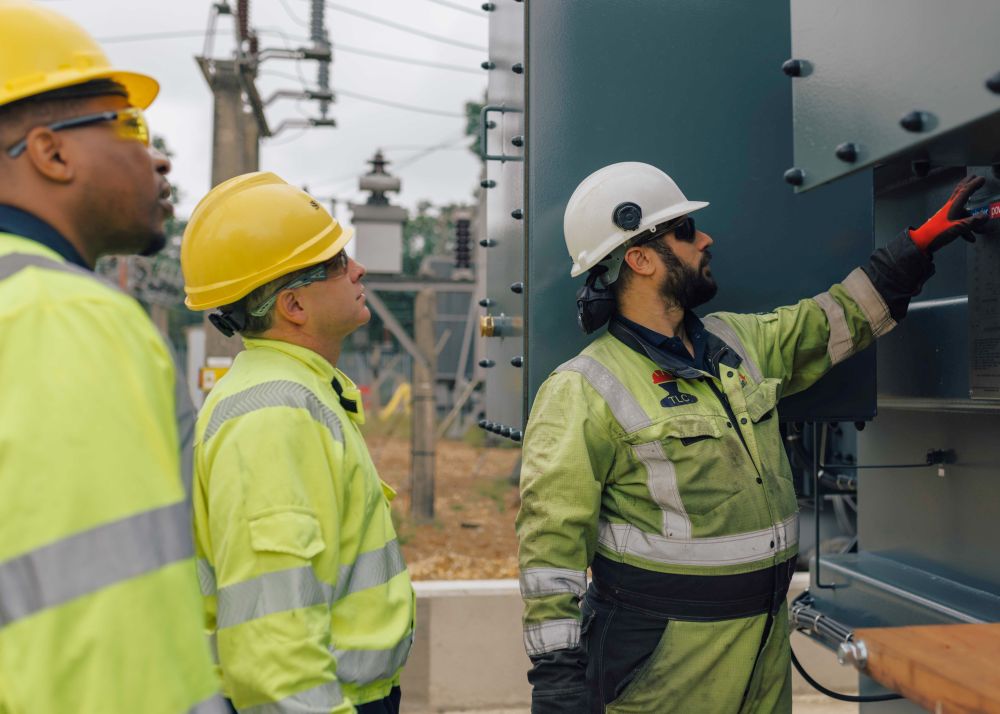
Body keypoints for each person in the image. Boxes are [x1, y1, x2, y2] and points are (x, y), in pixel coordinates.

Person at [516, 161, 985, 713]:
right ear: (639, 259)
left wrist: (921, 243)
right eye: (685, 231)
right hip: (663, 660)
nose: (706, 239)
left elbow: (834, 319)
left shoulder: (735, 342)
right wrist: (558, 679)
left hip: (760, 642)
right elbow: (550, 544)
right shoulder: (582, 388)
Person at [0, 2, 223, 712]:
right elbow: (101, 640)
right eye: (129, 125)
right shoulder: (63, 314)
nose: (156, 157)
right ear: (50, 152)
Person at [180, 172, 415, 714]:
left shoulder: (295, 393)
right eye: (336, 264)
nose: (357, 269)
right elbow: (272, 642)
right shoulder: (273, 413)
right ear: (294, 306)